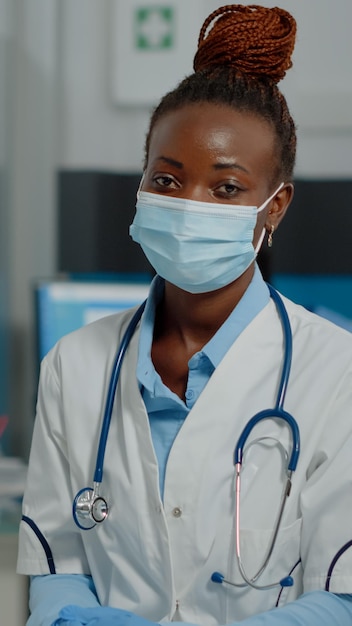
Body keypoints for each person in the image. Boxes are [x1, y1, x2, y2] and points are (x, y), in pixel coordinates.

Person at [17, 4, 352, 626]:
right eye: (168, 181)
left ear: (274, 208)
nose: (190, 204)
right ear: (142, 184)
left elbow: (340, 593)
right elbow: (57, 565)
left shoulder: (336, 372)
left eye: (226, 189)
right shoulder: (74, 365)